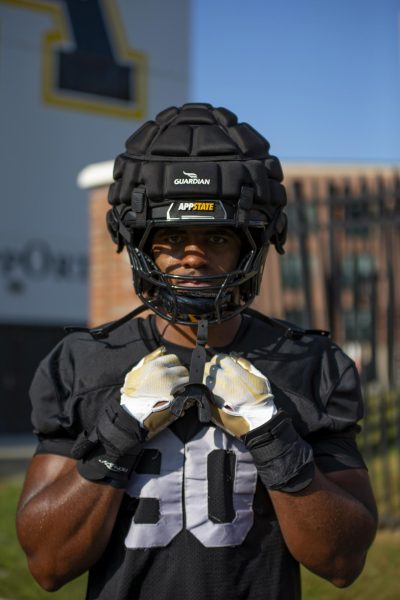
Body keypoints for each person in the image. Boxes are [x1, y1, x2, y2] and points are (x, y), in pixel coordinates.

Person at [16, 103, 378, 600]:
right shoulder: (81, 362)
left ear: (253, 243)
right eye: (170, 237)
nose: (192, 254)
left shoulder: (312, 364)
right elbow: (48, 565)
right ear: (139, 242)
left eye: (216, 236)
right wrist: (121, 429)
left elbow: (342, 563)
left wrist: (272, 435)